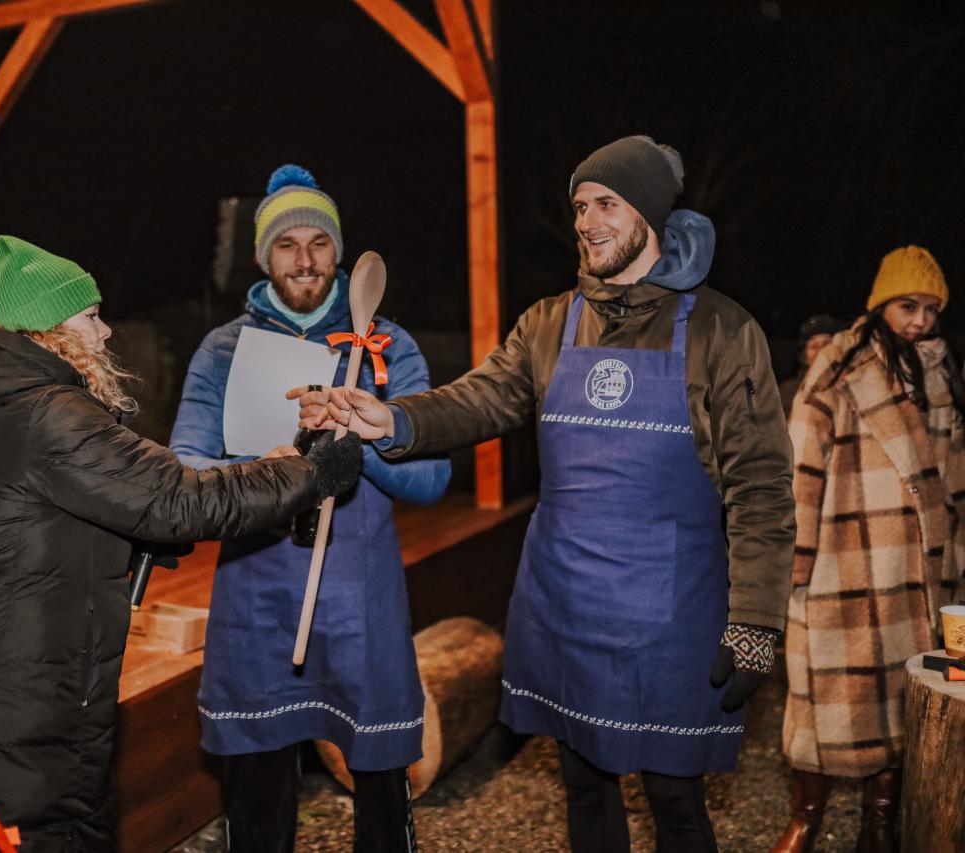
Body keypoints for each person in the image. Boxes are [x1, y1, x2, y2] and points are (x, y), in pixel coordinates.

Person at [299, 136, 796, 852]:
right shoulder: (549, 322)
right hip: (566, 600)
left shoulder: (721, 329)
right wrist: (394, 420)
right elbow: (477, 400)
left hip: (671, 609)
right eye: (580, 207)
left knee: (676, 800)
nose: (586, 221)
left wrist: (755, 618)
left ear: (650, 213)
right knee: (584, 785)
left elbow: (761, 487)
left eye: (606, 203)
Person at [0, 235, 363, 851]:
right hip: (13, 699)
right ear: (49, 330)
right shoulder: (48, 413)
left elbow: (58, 512)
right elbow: (180, 500)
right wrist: (309, 474)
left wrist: (131, 537)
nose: (106, 331)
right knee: (44, 834)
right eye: (91, 317)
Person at [170, 164, 450, 852]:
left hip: (360, 591)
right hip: (256, 589)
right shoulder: (223, 349)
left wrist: (358, 433)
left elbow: (432, 478)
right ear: (264, 256)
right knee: (257, 790)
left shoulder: (385, 348)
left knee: (380, 783)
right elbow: (186, 469)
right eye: (287, 244)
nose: (304, 259)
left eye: (319, 243)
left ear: (339, 253)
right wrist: (270, 470)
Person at [774, 245, 964, 853]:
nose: (920, 321)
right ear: (881, 303)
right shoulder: (838, 365)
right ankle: (805, 819)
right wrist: (793, 569)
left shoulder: (938, 371)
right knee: (826, 711)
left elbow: (955, 476)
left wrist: (956, 562)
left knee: (900, 713)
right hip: (847, 565)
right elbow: (801, 468)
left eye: (931, 309)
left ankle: (879, 822)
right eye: (909, 306)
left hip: (918, 575)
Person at [778, 314, 848, 417]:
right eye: (814, 346)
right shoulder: (789, 391)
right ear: (804, 356)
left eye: (827, 344)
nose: (821, 352)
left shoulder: (849, 387)